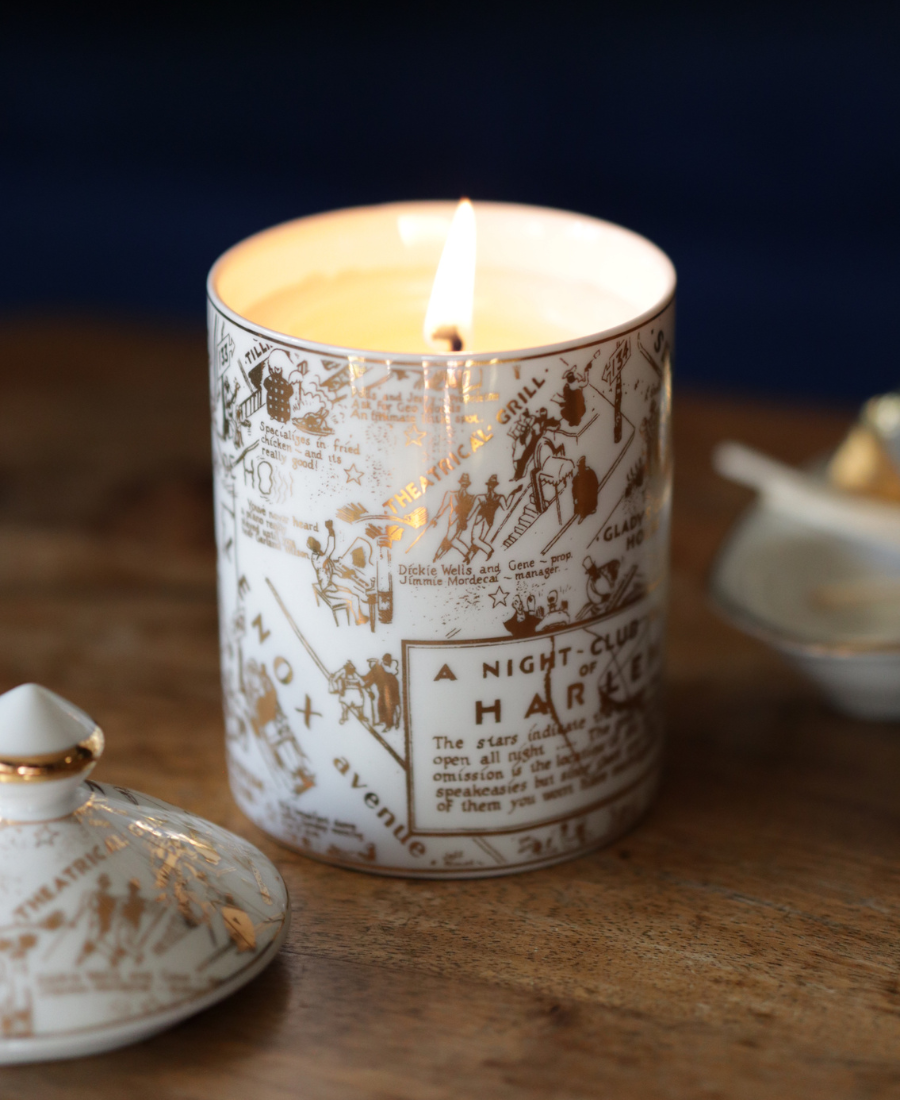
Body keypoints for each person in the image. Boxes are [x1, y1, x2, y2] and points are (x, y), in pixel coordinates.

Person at [432, 474, 476, 561]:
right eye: (463, 484)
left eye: (466, 485)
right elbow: (443, 507)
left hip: (462, 522)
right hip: (452, 522)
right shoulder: (451, 494)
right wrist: (436, 518)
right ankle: (468, 553)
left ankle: (437, 557)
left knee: (449, 539)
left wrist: (467, 520)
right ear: (460, 484)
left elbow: (471, 511)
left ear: (468, 485)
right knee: (452, 540)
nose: (464, 486)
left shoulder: (471, 498)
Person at [465, 474, 508, 563]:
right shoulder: (499, 498)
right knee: (479, 541)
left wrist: (466, 520)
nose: (490, 487)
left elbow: (472, 511)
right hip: (489, 521)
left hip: (480, 520)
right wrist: (513, 494)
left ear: (488, 486)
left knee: (475, 540)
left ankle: (488, 550)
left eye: (490, 485)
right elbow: (506, 508)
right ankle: (469, 558)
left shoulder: (481, 497)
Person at [572, 455, 600, 522]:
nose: (579, 468)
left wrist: (593, 492)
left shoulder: (589, 472)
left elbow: (595, 483)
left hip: (588, 495)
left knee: (587, 504)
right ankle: (582, 516)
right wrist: (575, 498)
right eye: (579, 466)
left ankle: (588, 512)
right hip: (580, 497)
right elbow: (574, 489)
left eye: (580, 466)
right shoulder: (577, 477)